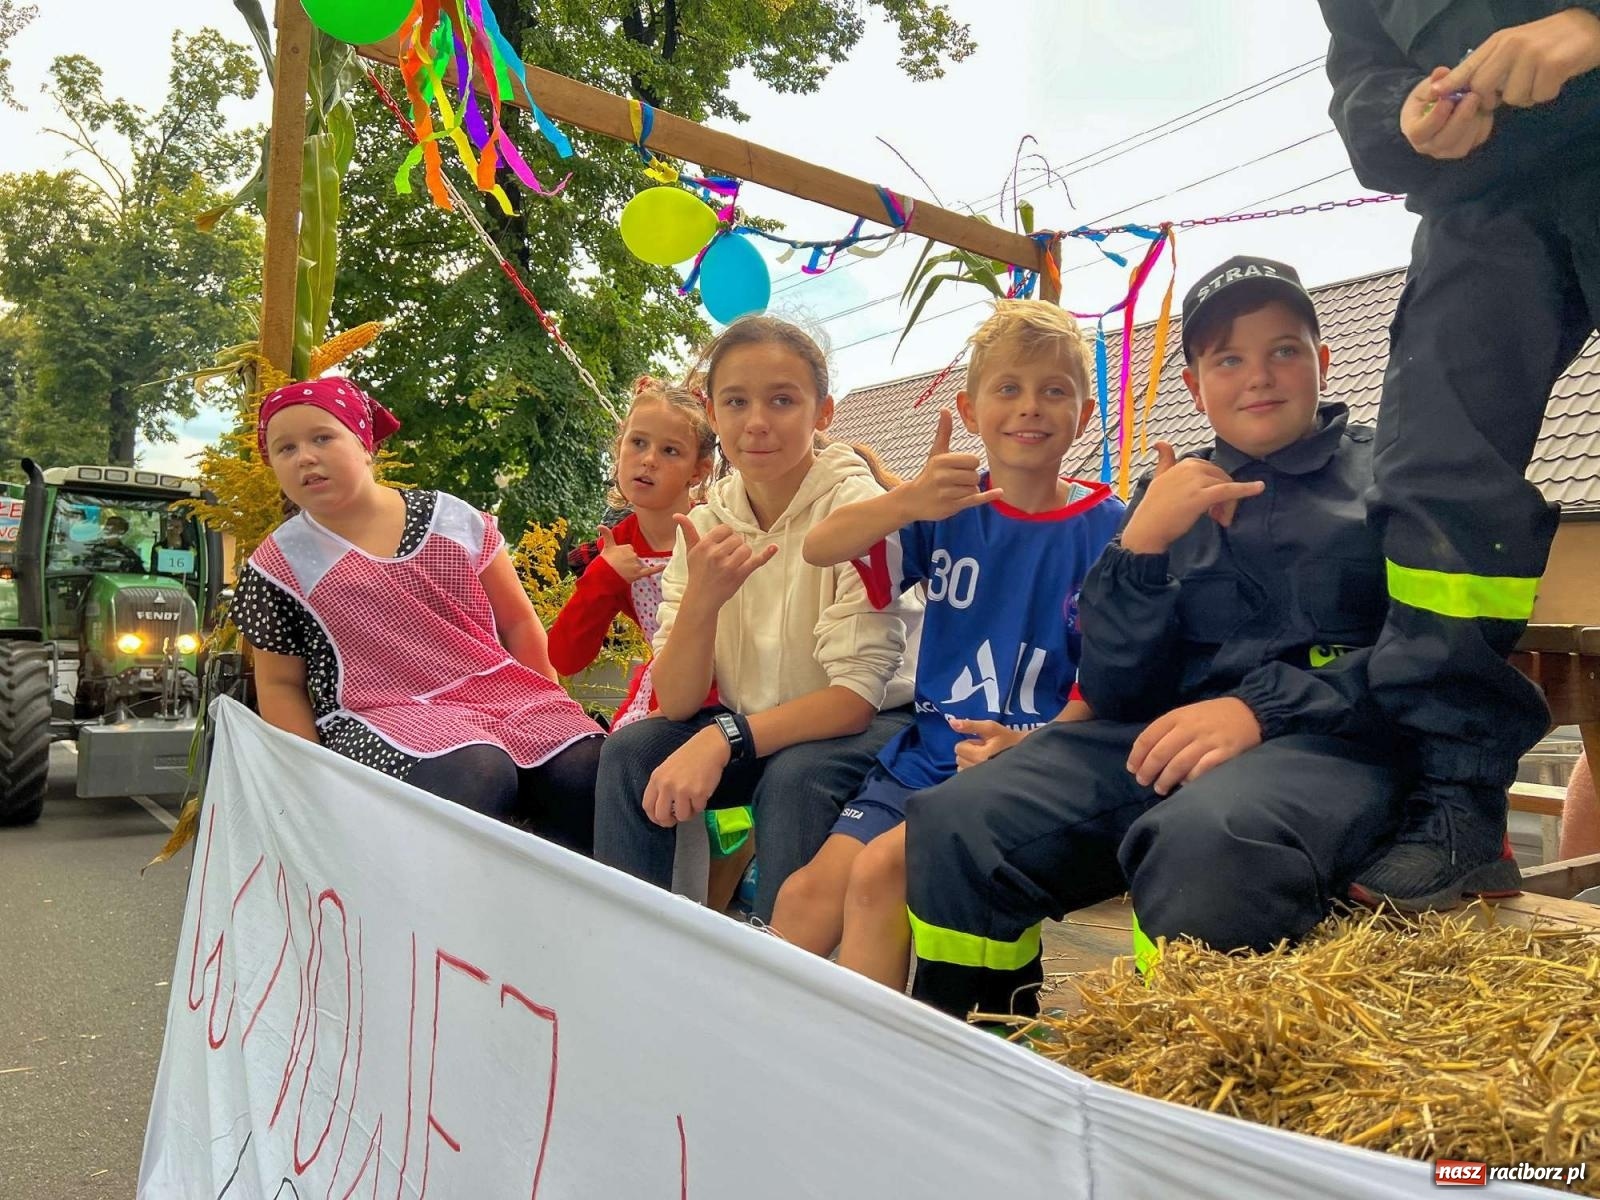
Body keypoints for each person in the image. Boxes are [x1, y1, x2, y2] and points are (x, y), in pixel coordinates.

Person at [901, 257, 1412, 1021]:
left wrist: (1259, 711)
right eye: (1228, 358)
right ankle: (980, 1039)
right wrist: (1138, 550)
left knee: (1202, 837)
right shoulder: (1163, 496)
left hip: (1335, 744)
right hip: (1164, 740)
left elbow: (1428, 652)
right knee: (956, 815)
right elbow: (1116, 687)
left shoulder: (1390, 483)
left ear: (1322, 362)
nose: (1258, 376)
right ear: (1194, 385)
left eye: (1283, 350)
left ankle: (1175, 1069)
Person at [1317, 1, 1600, 910]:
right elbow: (1359, 79)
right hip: (1481, 199)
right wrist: (1399, 118)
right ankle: (1456, 804)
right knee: (1433, 474)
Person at [769, 300, 1123, 987]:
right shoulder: (944, 512)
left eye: (1055, 391)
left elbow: (1114, 676)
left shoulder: (1111, 529)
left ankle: (876, 1070)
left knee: (880, 880)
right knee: (803, 897)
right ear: (968, 409)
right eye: (1009, 389)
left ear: (1082, 416)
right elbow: (820, 547)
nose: (1031, 408)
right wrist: (905, 501)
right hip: (930, 752)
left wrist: (1033, 744)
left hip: (1033, 760)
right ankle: (751, 1044)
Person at [592, 317, 920, 922]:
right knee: (633, 751)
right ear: (714, 417)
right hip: (757, 720)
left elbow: (852, 700)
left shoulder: (858, 512)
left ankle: (781, 979)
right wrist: (702, 603)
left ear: (823, 413)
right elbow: (679, 701)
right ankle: (635, 947)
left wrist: (726, 738)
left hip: (872, 720)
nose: (757, 422)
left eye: (783, 400)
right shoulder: (707, 523)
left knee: (796, 778)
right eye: (736, 402)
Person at [231, 377, 602, 853]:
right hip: (375, 714)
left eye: (322, 437)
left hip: (502, 695)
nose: (304, 457)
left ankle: (585, 914)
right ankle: (435, 919)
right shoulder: (278, 566)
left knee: (589, 768)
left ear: (365, 444)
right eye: (285, 448)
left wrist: (550, 704)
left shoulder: (454, 520)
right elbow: (280, 683)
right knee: (474, 772)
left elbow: (518, 623)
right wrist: (310, 777)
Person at [547, 375, 718, 729]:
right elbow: (565, 657)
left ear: (699, 471)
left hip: (730, 697)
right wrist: (602, 578)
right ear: (619, 448)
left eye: (670, 450)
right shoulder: (617, 549)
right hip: (665, 697)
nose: (649, 460)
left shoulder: (717, 530)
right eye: (638, 442)